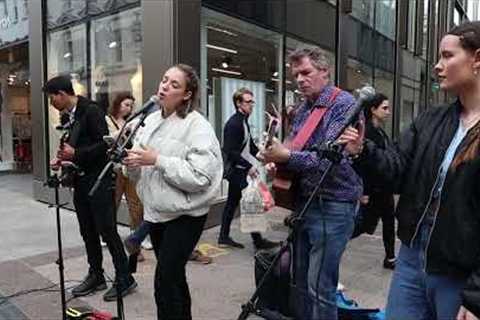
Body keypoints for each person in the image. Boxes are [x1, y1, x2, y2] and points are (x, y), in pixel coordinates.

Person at [340, 21, 480, 320]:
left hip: (460, 273)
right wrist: (363, 151)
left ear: (477, 59)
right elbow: (397, 169)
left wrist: (477, 295)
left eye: (447, 56)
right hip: (412, 259)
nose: (438, 66)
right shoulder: (431, 120)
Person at [260, 47, 362, 319]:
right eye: (296, 75)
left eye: (306, 72)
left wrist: (287, 155)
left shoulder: (344, 104)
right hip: (306, 202)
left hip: (334, 204)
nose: (300, 80)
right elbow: (297, 148)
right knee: (301, 282)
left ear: (324, 72)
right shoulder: (304, 108)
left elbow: (327, 159)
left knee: (321, 286)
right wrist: (277, 159)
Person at [123, 64, 222, 319]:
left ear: (188, 94)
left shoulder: (198, 126)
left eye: (174, 84)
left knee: (164, 281)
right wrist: (132, 164)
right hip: (157, 212)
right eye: (165, 80)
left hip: (186, 215)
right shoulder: (150, 120)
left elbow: (201, 177)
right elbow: (139, 171)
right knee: (174, 276)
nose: (165, 86)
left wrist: (157, 160)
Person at [45, 75, 136, 302]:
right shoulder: (71, 116)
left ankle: (125, 277)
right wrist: (64, 160)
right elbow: (78, 147)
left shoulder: (91, 111)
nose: (51, 103)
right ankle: (96, 274)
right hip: (81, 180)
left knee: (107, 230)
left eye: (51, 98)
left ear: (62, 94)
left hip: (99, 181)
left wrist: (76, 154)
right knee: (87, 231)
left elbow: (105, 146)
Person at [218, 87, 279, 250]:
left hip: (240, 169)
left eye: (252, 101)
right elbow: (231, 151)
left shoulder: (243, 121)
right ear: (238, 103)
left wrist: (263, 158)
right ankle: (258, 241)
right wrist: (249, 166)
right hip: (237, 170)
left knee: (232, 203)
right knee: (251, 203)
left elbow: (249, 145)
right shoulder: (234, 123)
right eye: (248, 101)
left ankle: (223, 236)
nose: (252, 105)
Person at [350, 93, 396, 270]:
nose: (388, 112)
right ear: (373, 110)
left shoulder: (380, 132)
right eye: (384, 108)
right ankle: (331, 241)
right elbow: (361, 164)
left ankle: (390, 257)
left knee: (389, 222)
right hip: (372, 190)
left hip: (384, 188)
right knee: (361, 225)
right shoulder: (366, 132)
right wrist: (363, 191)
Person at [105, 92, 150, 262]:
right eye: (126, 104)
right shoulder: (107, 120)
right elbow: (108, 141)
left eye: (131, 105)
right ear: (117, 104)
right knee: (113, 202)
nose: (129, 108)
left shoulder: (133, 122)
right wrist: (123, 133)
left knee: (136, 204)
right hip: (115, 169)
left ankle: (136, 238)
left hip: (130, 166)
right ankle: (108, 235)